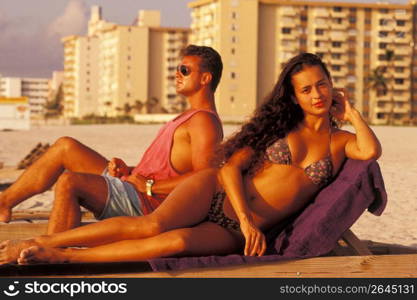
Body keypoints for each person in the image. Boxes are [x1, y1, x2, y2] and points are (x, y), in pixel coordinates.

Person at [0, 53, 381, 265]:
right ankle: (44, 242)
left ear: (333, 86)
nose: (316, 94)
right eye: (306, 89)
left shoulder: (341, 142)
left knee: (177, 242)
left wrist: (351, 114)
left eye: (322, 85)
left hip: (232, 231)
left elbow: (371, 151)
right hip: (216, 194)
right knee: (151, 227)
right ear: (294, 96)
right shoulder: (279, 127)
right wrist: (248, 220)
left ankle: (65, 258)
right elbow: (228, 167)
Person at [0, 45, 224, 234]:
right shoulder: (187, 117)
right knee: (65, 146)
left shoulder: (204, 122)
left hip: (147, 204)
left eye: (184, 70)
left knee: (70, 182)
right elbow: (169, 167)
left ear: (205, 78)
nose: (177, 74)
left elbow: (205, 179)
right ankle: (4, 202)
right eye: (177, 69)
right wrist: (131, 169)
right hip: (135, 186)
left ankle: (51, 250)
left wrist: (148, 186)